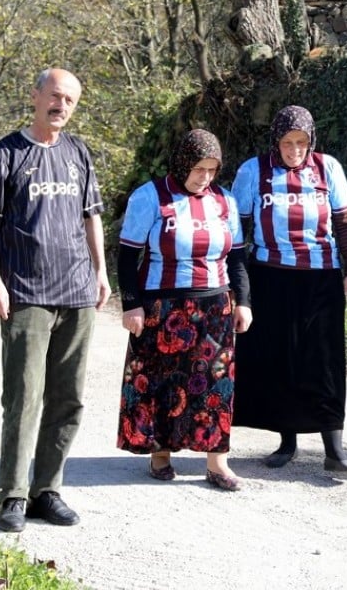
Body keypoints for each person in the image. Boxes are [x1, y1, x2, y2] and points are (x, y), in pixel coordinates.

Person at [0, 68, 111, 532]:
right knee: (24, 398)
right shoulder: (6, 154)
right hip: (26, 294)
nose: (62, 106)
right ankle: (12, 495)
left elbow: (92, 216)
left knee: (68, 399)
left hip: (76, 293)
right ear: (35, 96)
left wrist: (101, 272)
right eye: (55, 96)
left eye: (70, 100)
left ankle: (47, 490)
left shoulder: (78, 153)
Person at [115, 129, 252, 491]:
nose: (204, 177)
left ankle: (217, 462)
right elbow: (128, 257)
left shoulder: (224, 201)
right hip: (162, 305)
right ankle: (161, 453)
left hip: (215, 306)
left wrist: (244, 302)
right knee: (163, 381)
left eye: (211, 170)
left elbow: (236, 257)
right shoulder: (150, 197)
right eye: (198, 168)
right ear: (181, 162)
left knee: (215, 385)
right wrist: (132, 305)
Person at [231, 105, 347, 474]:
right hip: (270, 277)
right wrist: (238, 289)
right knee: (281, 360)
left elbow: (346, 223)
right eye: (287, 143)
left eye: (301, 143)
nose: (294, 150)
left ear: (312, 141)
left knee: (324, 360)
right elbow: (235, 235)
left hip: (320, 277)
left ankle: (333, 449)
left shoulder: (328, 168)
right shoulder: (252, 172)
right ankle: (286, 441)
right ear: (275, 141)